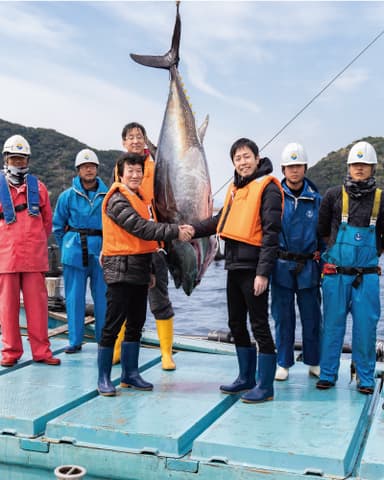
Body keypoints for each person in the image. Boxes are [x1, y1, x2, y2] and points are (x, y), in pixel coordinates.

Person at [192, 138, 283, 403]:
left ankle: (265, 386)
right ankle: (246, 377)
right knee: (235, 323)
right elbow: (219, 221)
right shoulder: (235, 189)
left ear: (257, 158)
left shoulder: (268, 189)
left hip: (254, 268)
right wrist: (190, 229)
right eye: (237, 158)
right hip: (234, 266)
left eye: (246, 157)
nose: (242, 162)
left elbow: (271, 234)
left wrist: (263, 273)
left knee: (259, 325)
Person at [97, 152, 192, 396]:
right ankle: (104, 377)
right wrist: (175, 232)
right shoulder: (118, 200)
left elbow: (143, 242)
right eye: (130, 170)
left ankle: (130, 374)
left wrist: (150, 270)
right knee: (112, 325)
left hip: (140, 270)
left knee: (136, 324)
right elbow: (140, 228)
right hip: (120, 270)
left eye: (139, 171)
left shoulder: (140, 198)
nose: (135, 175)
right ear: (120, 173)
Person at [316, 141, 384, 395]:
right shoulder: (333, 195)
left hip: (366, 277)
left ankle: (365, 378)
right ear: (349, 166)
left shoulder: (381, 198)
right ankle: (327, 374)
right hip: (336, 275)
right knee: (332, 326)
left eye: (364, 165)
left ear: (372, 168)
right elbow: (322, 230)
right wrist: (335, 252)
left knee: (366, 327)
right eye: (355, 164)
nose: (359, 168)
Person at [112, 122, 177, 371]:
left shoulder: (158, 165)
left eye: (140, 136)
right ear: (124, 142)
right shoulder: (120, 169)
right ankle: (117, 350)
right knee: (125, 301)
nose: (136, 141)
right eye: (131, 137)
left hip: (155, 244)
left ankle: (166, 354)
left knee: (159, 299)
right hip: (126, 248)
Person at [0, 134, 60, 366]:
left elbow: (47, 221)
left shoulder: (40, 188)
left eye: (22, 159)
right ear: (6, 159)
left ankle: (42, 352)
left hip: (34, 258)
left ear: (28, 161)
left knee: (37, 309)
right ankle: (10, 353)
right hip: (6, 258)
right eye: (14, 159)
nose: (18, 163)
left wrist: (34, 241)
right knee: (7, 309)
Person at [271, 143, 323, 381]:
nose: (294, 171)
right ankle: (283, 362)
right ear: (283, 169)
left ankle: (314, 360)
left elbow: (324, 237)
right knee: (283, 318)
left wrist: (324, 266)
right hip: (281, 265)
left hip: (309, 268)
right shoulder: (274, 197)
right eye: (290, 167)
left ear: (305, 167)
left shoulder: (316, 200)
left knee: (312, 316)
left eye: (298, 166)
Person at [53, 149, 108, 353]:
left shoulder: (108, 195)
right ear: (78, 170)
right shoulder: (66, 196)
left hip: (101, 251)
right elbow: (58, 226)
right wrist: (67, 245)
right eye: (85, 166)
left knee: (103, 297)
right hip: (74, 251)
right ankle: (75, 341)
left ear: (97, 169)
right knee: (74, 297)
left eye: (92, 166)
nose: (89, 169)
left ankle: (103, 339)